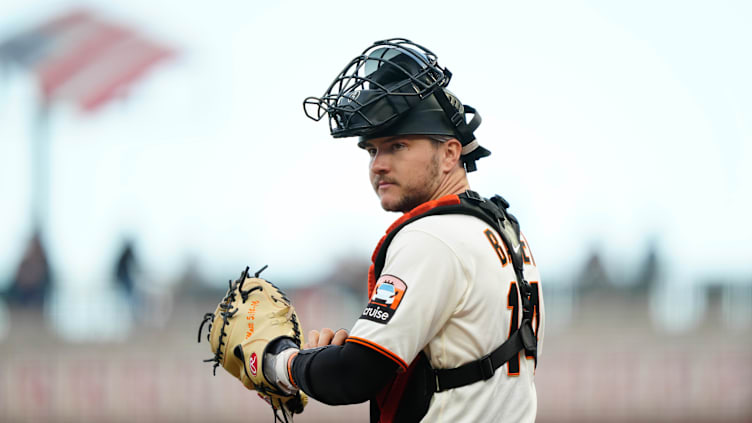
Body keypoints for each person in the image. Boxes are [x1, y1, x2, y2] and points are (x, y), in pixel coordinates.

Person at [267, 38, 545, 422]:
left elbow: (353, 375)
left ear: (450, 153)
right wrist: (343, 351)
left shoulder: (433, 238)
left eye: (397, 145)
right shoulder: (503, 231)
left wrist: (278, 361)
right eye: (372, 150)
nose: (378, 165)